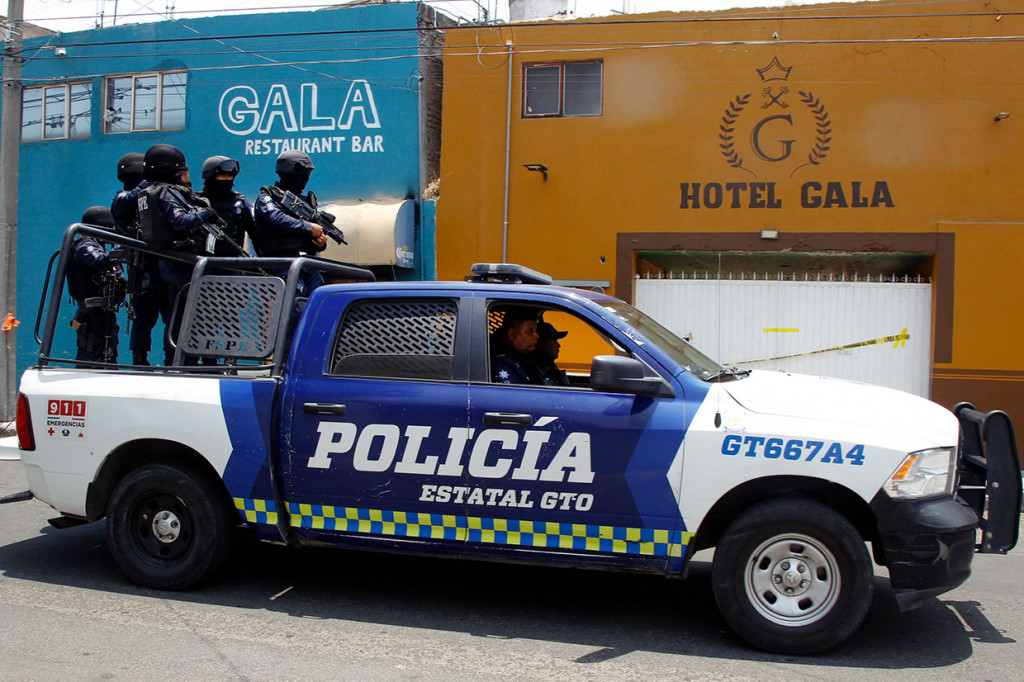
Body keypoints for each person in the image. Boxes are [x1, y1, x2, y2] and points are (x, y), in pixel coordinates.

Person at [136, 143, 221, 364]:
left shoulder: (150, 191)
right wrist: (206, 214)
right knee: (188, 314)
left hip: (170, 261)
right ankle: (184, 361)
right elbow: (179, 220)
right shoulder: (166, 192)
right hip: (178, 262)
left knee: (180, 314)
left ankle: (181, 360)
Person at [110, 151, 170, 366]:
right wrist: (146, 186)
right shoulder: (124, 197)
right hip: (143, 264)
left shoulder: (159, 193)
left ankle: (171, 358)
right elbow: (122, 208)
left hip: (165, 261)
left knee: (171, 313)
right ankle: (139, 358)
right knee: (144, 315)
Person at [253, 150, 329, 294]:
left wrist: (321, 242)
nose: (307, 178)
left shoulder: (307, 202)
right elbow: (275, 217)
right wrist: (308, 227)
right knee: (295, 308)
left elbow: (317, 232)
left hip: (309, 264)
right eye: (306, 173)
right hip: (284, 264)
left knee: (318, 305)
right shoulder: (269, 196)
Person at [68, 207, 126, 366]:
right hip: (91, 316)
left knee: (107, 359)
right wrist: (125, 247)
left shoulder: (96, 245)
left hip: (101, 315)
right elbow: (100, 260)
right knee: (91, 359)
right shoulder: (85, 245)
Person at [198, 155, 255, 257]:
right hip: (201, 261)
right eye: (223, 175)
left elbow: (256, 234)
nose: (228, 179)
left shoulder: (239, 202)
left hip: (232, 263)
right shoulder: (197, 201)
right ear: (210, 176)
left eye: (230, 176)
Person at [492, 307, 544, 385]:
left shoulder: (528, 360)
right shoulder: (503, 363)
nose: (536, 335)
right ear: (511, 334)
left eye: (536, 331)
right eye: (530, 331)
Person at [531, 321, 570, 386]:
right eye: (554, 341)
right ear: (540, 343)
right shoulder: (534, 369)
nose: (558, 345)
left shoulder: (548, 365)